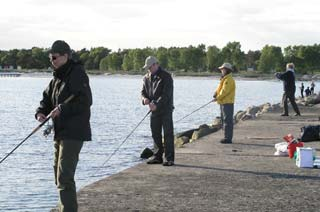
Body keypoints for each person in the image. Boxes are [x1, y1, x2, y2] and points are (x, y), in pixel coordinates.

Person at [35, 40, 92, 212]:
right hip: (60, 132)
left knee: (64, 176)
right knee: (58, 175)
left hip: (74, 132)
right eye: (50, 58)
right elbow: (46, 99)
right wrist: (40, 112)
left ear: (65, 56)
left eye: (54, 58)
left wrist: (63, 109)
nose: (51, 61)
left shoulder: (77, 74)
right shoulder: (57, 77)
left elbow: (86, 102)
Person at [141, 56, 175, 166]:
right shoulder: (146, 77)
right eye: (148, 67)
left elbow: (166, 95)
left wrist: (156, 104)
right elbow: (142, 93)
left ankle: (169, 159)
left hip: (166, 110)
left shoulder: (166, 77)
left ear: (156, 65)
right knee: (155, 134)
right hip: (153, 110)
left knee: (168, 134)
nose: (149, 69)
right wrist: (144, 99)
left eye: (150, 67)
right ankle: (157, 156)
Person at [213, 62, 236, 144]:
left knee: (227, 120)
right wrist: (216, 93)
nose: (221, 71)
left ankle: (228, 138)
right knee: (224, 120)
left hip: (227, 102)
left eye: (222, 69)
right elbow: (220, 89)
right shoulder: (225, 78)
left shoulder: (228, 79)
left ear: (226, 70)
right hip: (223, 102)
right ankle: (226, 137)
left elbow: (224, 91)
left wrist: (217, 97)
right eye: (221, 69)